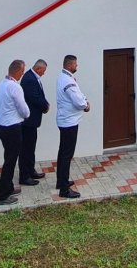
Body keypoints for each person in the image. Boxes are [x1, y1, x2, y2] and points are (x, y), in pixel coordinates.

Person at [0, 59, 30, 206]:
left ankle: (8, 187)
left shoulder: (3, 83)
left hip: (2, 126)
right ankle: (2, 195)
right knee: (10, 161)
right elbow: (23, 108)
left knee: (9, 157)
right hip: (12, 127)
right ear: (18, 71)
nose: (22, 74)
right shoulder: (15, 87)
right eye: (22, 71)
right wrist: (27, 114)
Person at [56, 54, 90, 199]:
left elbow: (78, 93)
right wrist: (86, 105)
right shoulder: (68, 81)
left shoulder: (63, 77)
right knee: (66, 155)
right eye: (75, 64)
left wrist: (84, 99)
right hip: (69, 122)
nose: (77, 66)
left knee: (63, 152)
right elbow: (78, 101)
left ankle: (61, 181)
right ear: (70, 65)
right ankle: (64, 190)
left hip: (66, 120)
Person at [20, 59, 50, 186]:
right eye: (43, 71)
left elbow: (39, 95)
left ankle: (31, 170)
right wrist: (45, 106)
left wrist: (45, 103)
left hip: (32, 121)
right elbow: (34, 98)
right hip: (28, 121)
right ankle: (24, 176)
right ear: (38, 68)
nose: (44, 73)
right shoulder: (29, 79)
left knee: (31, 147)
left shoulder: (32, 77)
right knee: (26, 148)